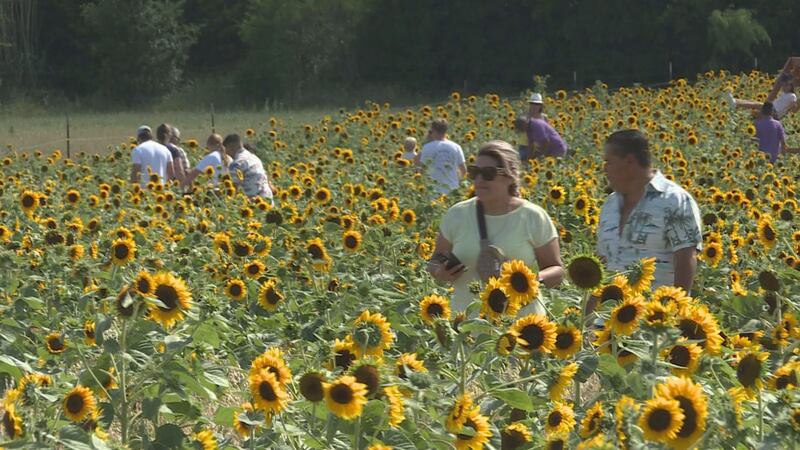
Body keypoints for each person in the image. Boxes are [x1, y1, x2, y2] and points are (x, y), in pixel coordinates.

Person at [427, 140, 564, 314]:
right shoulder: (458, 214)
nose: (479, 179)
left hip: (523, 324)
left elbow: (557, 271)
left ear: (510, 176)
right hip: (469, 324)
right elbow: (435, 260)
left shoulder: (533, 217)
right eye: (475, 172)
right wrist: (440, 272)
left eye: (488, 173)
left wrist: (527, 280)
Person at [597, 129, 702, 292]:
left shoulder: (674, 200)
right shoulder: (610, 205)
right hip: (610, 307)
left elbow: (686, 258)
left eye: (609, 162)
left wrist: (676, 303)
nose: (605, 169)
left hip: (655, 305)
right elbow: (602, 265)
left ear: (629, 161)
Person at [413, 118, 466, 194]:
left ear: (433, 130)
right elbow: (463, 171)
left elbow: (422, 170)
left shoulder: (427, 147)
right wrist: (456, 181)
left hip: (434, 192)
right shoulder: (456, 147)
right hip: (453, 191)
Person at [223, 134, 274, 202]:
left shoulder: (237, 163)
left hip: (253, 202)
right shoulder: (255, 158)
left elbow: (232, 188)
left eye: (226, 150)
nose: (226, 153)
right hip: (267, 198)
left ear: (231, 147)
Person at [726, 80, 799, 119]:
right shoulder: (784, 94)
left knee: (756, 105)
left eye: (786, 85)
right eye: (783, 85)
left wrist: (792, 106)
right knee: (753, 103)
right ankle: (735, 101)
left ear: (791, 87)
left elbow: (793, 108)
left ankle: (736, 103)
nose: (783, 87)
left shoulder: (792, 96)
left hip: (775, 112)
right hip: (772, 108)